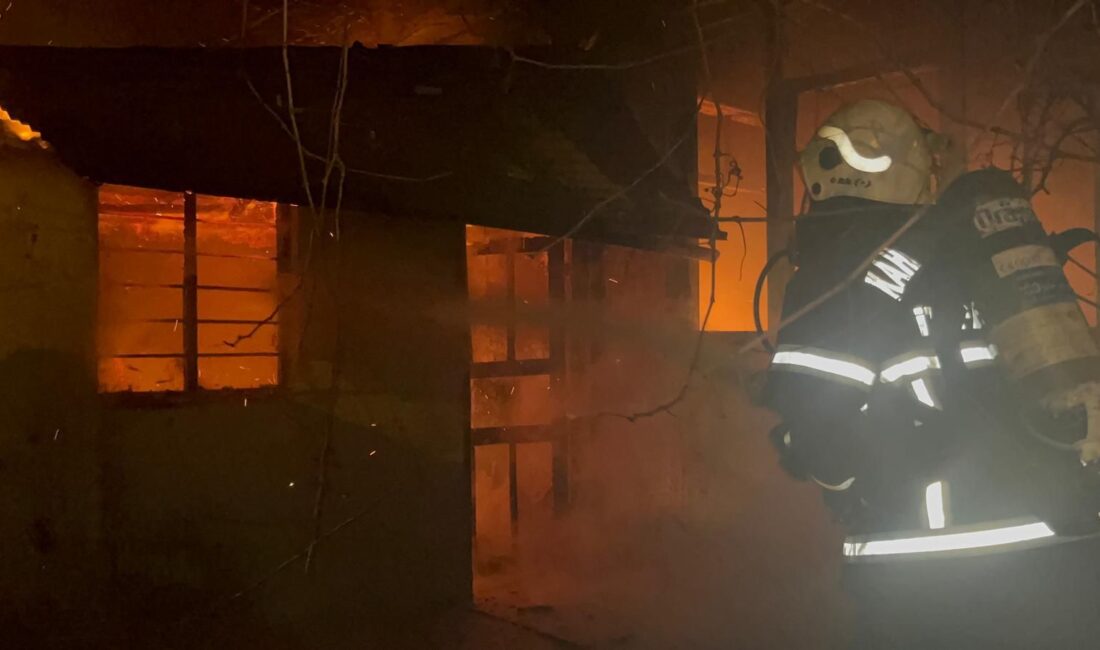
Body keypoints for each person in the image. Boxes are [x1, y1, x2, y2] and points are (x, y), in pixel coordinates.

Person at [762, 99, 1100, 649]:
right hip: (1060, 550)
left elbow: (820, 443)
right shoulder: (967, 256)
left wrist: (855, 469)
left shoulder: (835, 278)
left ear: (830, 171)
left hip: (933, 580)